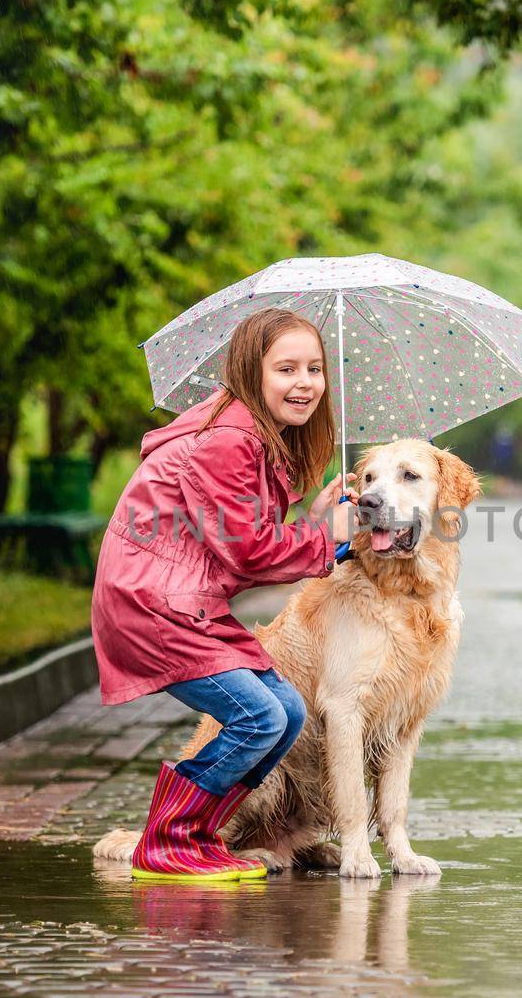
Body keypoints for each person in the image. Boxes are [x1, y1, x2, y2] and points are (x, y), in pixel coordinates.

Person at [91, 308, 358, 881]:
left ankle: (198, 834)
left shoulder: (246, 434)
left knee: (285, 713)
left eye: (315, 368)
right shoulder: (230, 440)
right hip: (156, 603)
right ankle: (167, 840)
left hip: (184, 597)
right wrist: (323, 537)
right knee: (259, 717)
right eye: (286, 368)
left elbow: (235, 531)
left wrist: (312, 523)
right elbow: (250, 550)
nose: (306, 382)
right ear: (250, 371)